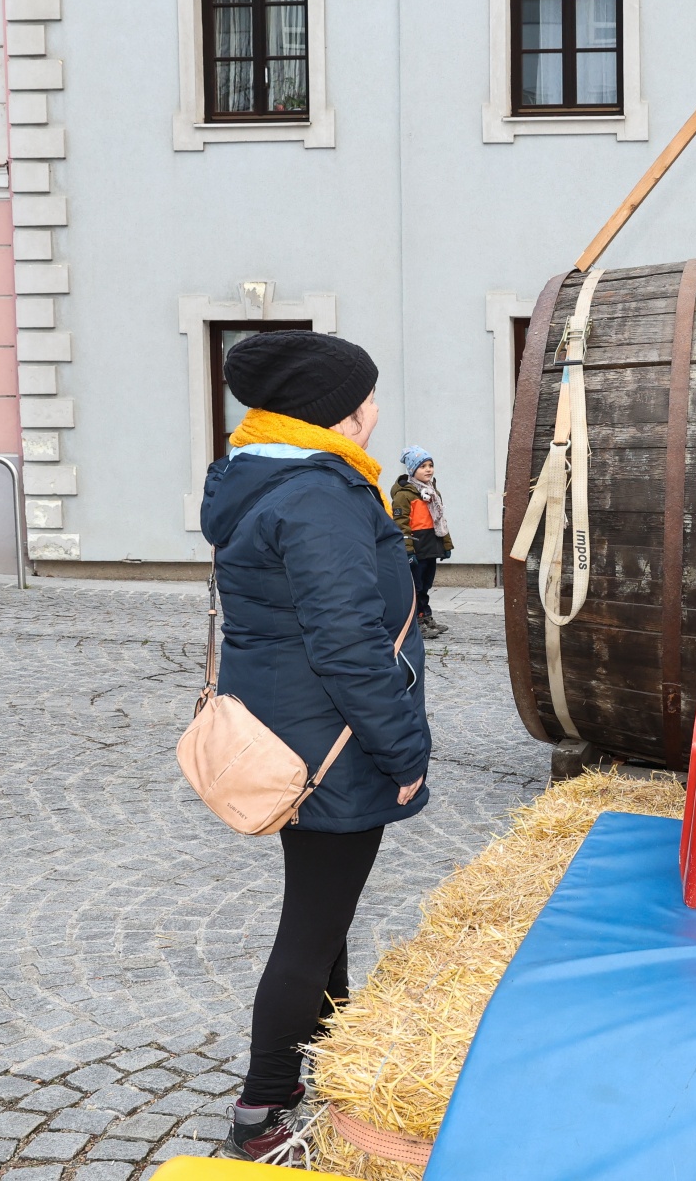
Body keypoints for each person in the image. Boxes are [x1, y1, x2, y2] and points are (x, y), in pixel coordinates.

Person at [201, 331, 431, 1162]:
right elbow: (348, 648)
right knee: (310, 929)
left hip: (286, 734)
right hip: (330, 745)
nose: (375, 408)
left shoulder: (258, 474)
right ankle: (261, 1108)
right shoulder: (320, 495)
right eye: (366, 396)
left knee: (323, 915)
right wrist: (404, 752)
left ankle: (329, 1060)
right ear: (341, 412)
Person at [391, 446, 454, 639]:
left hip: (431, 546)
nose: (428, 469)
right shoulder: (404, 495)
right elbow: (401, 525)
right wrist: (407, 551)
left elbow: (440, 520)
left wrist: (446, 545)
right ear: (412, 470)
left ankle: (426, 616)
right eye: (423, 466)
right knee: (415, 587)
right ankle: (415, 623)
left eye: (430, 465)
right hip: (416, 548)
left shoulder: (432, 492)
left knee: (426, 585)